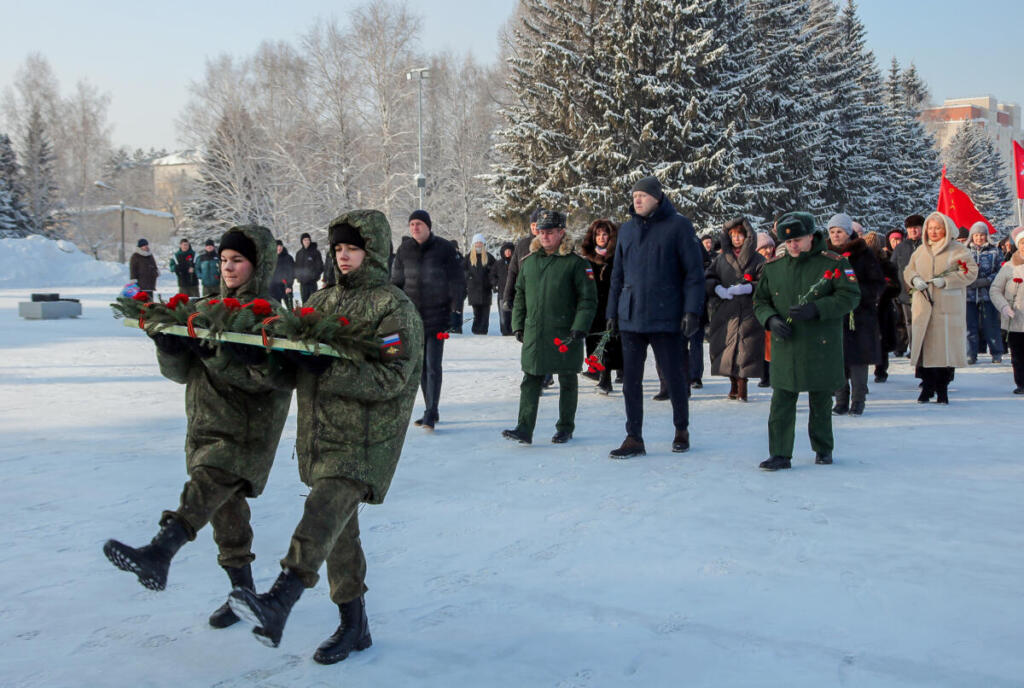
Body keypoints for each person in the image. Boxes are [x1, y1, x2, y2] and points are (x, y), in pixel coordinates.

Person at [229, 210, 423, 663]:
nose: (343, 256)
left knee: (322, 513)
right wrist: (256, 358)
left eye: (352, 248)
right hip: (321, 437)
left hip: (365, 442)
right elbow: (291, 371)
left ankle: (280, 600)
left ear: (372, 251)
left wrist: (333, 368)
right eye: (337, 248)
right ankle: (355, 625)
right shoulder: (320, 302)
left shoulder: (393, 308)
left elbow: (394, 375)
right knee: (339, 532)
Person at [104, 225, 294, 628]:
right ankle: (242, 594)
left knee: (207, 486)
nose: (228, 267)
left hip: (246, 429)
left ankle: (160, 551)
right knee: (227, 514)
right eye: (224, 260)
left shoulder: (271, 315)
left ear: (257, 265)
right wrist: (170, 349)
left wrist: (218, 356)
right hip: (206, 424)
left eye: (238, 260)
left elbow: (272, 379)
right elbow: (182, 373)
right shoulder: (206, 307)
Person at [752, 212, 860, 470]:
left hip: (820, 342)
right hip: (786, 343)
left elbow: (850, 296)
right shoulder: (774, 267)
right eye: (788, 242)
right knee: (781, 400)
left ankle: (823, 448)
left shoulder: (833, 263)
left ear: (812, 236)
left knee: (821, 398)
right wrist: (770, 320)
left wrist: (818, 308)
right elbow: (760, 301)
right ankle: (780, 453)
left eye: (798, 240)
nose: (793, 246)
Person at [606, 175, 704, 458]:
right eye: (635, 195)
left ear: (658, 198)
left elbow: (694, 274)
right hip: (631, 316)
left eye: (643, 195)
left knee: (674, 378)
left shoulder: (679, 226)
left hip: (667, 315)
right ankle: (633, 437)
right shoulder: (625, 230)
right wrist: (612, 312)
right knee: (631, 382)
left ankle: (681, 430)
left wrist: (691, 311)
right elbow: (617, 276)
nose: (637, 199)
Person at [501, 211, 597, 444]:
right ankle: (524, 428)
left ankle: (565, 427)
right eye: (541, 232)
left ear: (561, 232)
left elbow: (588, 299)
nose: (544, 236)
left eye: (550, 232)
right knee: (531, 378)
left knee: (567, 379)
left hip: (565, 332)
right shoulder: (529, 262)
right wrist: (518, 324)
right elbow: (520, 294)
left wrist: (579, 326)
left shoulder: (576, 263)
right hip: (535, 330)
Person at [391, 209, 464, 430]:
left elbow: (457, 282)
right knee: (421, 367)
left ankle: (431, 411)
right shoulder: (404, 250)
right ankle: (431, 408)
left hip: (438, 316)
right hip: (413, 318)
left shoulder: (444, 248)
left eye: (419, 224)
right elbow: (397, 282)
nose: (415, 227)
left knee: (433, 366)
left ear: (428, 226)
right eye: (412, 224)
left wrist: (456, 311)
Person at [904, 212, 979, 404]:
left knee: (945, 351)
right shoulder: (921, 250)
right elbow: (908, 269)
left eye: (937, 228)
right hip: (924, 307)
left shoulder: (958, 249)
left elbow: (970, 272)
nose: (933, 232)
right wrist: (914, 279)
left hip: (947, 308)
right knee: (926, 350)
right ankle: (927, 386)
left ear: (946, 229)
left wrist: (946, 281)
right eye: (930, 228)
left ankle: (942, 388)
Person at [826, 214, 883, 416]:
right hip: (835, 314)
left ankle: (858, 399)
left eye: (839, 231)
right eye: (832, 232)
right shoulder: (825, 255)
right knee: (837, 358)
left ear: (848, 233)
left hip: (859, 314)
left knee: (858, 358)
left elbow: (877, 283)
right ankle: (840, 399)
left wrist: (857, 294)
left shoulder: (863, 254)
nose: (835, 235)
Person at [705, 217, 765, 402]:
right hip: (726, 311)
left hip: (749, 310)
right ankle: (732, 382)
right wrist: (717, 289)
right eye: (733, 236)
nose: (736, 239)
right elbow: (708, 277)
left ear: (748, 237)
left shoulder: (757, 259)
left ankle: (742, 384)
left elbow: (766, 281)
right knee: (727, 347)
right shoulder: (722, 259)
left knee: (746, 348)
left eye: (740, 235)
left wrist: (750, 287)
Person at [579, 218, 623, 394]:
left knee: (609, 341)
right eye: (598, 234)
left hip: (612, 304)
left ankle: (606, 379)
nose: (601, 238)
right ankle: (596, 371)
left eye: (605, 234)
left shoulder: (616, 257)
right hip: (592, 305)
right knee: (593, 340)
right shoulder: (587, 259)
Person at [989, 226, 1024, 394]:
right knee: (1018, 355)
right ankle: (1022, 383)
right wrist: (1004, 306)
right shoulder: (1009, 267)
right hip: (1015, 318)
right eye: (1022, 243)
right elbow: (995, 290)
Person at [863, 231, 900, 383]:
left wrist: (883, 290)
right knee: (868, 340)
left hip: (882, 307)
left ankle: (881, 369)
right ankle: (879, 369)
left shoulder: (885, 264)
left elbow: (895, 287)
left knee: (881, 339)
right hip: (866, 306)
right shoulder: (861, 262)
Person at [965, 222, 1004, 364]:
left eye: (982, 235)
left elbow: (1000, 272)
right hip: (969, 295)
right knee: (970, 326)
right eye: (976, 235)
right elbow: (958, 270)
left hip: (988, 294)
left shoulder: (995, 251)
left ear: (986, 236)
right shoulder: (964, 251)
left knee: (991, 325)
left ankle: (996, 352)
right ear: (972, 236)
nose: (979, 238)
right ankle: (970, 353)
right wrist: (969, 281)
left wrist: (986, 281)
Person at [892, 214, 924, 355]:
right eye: (910, 229)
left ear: (922, 228)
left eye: (916, 228)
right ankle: (913, 348)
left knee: (923, 322)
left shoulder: (927, 245)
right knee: (909, 322)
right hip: (905, 292)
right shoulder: (901, 247)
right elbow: (892, 267)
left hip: (924, 291)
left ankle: (923, 348)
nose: (913, 231)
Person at [464, 233, 497, 335]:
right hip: (473, 289)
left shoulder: (489, 257)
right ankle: (476, 329)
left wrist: (491, 280)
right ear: (474, 244)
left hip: (485, 288)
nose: (478, 244)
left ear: (483, 244)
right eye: (477, 243)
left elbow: (495, 271)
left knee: (485, 311)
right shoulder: (468, 257)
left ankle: (483, 330)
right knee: (477, 311)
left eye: (480, 243)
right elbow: (462, 270)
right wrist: (468, 277)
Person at [755, 232, 776, 388]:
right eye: (764, 248)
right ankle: (764, 374)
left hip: (775, 307)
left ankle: (771, 374)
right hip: (759, 308)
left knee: (770, 343)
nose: (767, 251)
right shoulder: (755, 265)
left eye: (769, 247)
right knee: (761, 343)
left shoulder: (777, 263)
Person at [294, 232, 324, 305]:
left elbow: (320, 266)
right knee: (305, 303)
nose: (307, 241)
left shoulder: (315, 252)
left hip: (312, 283)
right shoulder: (299, 253)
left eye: (308, 240)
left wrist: (314, 277)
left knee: (314, 303)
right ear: (302, 241)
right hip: (303, 284)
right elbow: (296, 267)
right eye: (305, 240)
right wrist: (298, 277)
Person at [493, 241, 515, 336]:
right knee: (503, 314)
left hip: (514, 292)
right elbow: (492, 276)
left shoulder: (516, 262)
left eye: (509, 251)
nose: (508, 253)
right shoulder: (498, 263)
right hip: (502, 292)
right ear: (503, 252)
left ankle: (514, 330)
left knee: (514, 313)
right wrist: (495, 284)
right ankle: (505, 331)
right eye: (506, 251)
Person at [270, 240, 295, 309]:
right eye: (277, 246)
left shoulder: (288, 258)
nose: (279, 248)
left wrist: (289, 286)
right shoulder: (271, 258)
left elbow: (292, 273)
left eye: (280, 246)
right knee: (276, 310)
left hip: (285, 286)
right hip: (273, 288)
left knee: (290, 309)